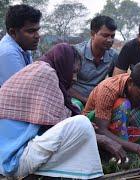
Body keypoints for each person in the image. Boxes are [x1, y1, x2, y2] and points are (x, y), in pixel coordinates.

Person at [0, 44, 105, 179]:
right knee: (82, 123)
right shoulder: (46, 73)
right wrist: (101, 139)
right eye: (73, 71)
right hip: (13, 160)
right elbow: (56, 125)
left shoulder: (39, 69)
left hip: (9, 156)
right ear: (64, 64)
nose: (74, 78)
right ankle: (93, 176)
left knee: (79, 120)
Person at [69, 15, 118, 110]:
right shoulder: (75, 52)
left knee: (122, 104)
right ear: (92, 34)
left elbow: (114, 84)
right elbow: (65, 86)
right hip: (75, 99)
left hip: (98, 100)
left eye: (112, 36)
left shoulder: (113, 56)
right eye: (105, 35)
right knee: (75, 106)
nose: (110, 40)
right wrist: (86, 100)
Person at [0, 4, 41, 86]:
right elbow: (22, 89)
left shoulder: (23, 47)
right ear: (13, 32)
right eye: (31, 31)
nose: (37, 36)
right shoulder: (8, 53)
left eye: (37, 30)